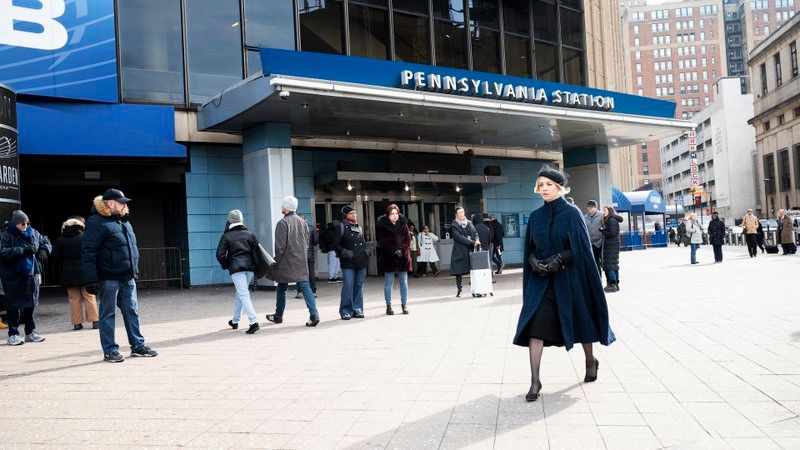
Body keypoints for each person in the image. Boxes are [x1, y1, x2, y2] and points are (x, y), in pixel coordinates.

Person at [515, 167, 614, 402]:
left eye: (549, 185)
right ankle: (535, 381)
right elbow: (529, 248)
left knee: (582, 321)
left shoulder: (572, 213)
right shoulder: (536, 216)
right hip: (541, 283)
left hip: (568, 280)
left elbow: (581, 248)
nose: (544, 189)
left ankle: (590, 361)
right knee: (535, 326)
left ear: (559, 188)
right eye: (541, 185)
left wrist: (559, 259)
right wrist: (535, 262)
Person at [82, 188, 157, 362]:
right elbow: (88, 252)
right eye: (120, 202)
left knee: (132, 311)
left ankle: (138, 346)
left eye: (124, 202)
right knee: (107, 314)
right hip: (108, 277)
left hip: (127, 277)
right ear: (109, 203)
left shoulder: (124, 222)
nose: (124, 205)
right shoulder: (96, 222)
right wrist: (91, 279)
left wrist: (134, 270)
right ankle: (110, 350)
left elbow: (132, 248)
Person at [265, 196, 320, 327]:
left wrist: (274, 261)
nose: (281, 207)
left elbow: (280, 247)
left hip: (285, 261)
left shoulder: (282, 223)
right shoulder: (303, 222)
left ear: (286, 207)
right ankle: (314, 314)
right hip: (301, 260)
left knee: (281, 288)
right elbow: (307, 242)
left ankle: (278, 316)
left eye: (282, 205)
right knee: (305, 286)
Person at [0, 210, 51, 346]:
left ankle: (30, 332)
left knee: (30, 304)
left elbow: (45, 240)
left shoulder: (33, 232)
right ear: (15, 224)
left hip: (31, 274)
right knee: (13, 306)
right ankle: (13, 334)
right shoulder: (7, 235)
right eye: (22, 223)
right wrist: (21, 250)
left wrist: (43, 250)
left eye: (27, 223)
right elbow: (3, 252)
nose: (25, 226)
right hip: (13, 276)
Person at [216, 209, 261, 334]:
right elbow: (258, 251)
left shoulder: (227, 236)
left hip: (236, 269)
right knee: (241, 294)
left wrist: (227, 265)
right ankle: (235, 321)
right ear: (241, 220)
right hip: (250, 269)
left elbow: (219, 254)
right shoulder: (250, 234)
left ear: (230, 221)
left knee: (243, 295)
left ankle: (254, 322)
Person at [52, 215, 98, 330]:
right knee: (89, 296)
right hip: (85, 271)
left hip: (68, 273)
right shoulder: (85, 237)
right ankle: (95, 321)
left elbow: (55, 257)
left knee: (73, 298)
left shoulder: (60, 240)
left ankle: (77, 323)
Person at [333, 205, 370, 319]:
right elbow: (335, 244)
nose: (354, 215)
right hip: (348, 262)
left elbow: (362, 242)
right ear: (345, 215)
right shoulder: (341, 226)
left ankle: (357, 309)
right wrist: (344, 252)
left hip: (361, 261)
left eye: (355, 213)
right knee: (348, 286)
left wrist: (366, 251)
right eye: (351, 213)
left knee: (359, 285)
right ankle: (345, 310)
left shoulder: (359, 227)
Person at [377, 204, 412, 315]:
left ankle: (404, 305)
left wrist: (402, 250)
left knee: (404, 282)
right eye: (392, 214)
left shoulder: (403, 224)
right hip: (389, 257)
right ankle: (389, 306)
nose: (395, 216)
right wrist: (393, 250)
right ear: (388, 215)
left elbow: (408, 240)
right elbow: (383, 241)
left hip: (403, 257)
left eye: (396, 213)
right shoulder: (383, 225)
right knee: (388, 283)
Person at [450, 206, 479, 298]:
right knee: (458, 271)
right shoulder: (454, 225)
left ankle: (475, 289)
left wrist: (477, 240)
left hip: (470, 250)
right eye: (459, 212)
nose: (461, 214)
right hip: (459, 251)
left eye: (462, 212)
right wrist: (472, 242)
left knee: (473, 270)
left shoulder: (469, 223)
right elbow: (457, 237)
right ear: (456, 214)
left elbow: (475, 233)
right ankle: (460, 289)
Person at [600, 206, 622, 292]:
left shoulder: (612, 220)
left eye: (605, 210)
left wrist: (602, 230)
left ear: (610, 211)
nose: (603, 212)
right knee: (613, 265)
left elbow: (612, 233)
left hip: (611, 245)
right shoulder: (611, 219)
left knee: (610, 266)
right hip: (613, 245)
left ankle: (612, 285)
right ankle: (616, 285)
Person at [296, 216, 319, 298]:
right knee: (311, 273)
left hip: (299, 255)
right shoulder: (312, 228)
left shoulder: (296, 229)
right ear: (306, 220)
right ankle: (313, 292)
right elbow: (316, 241)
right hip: (310, 255)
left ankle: (300, 292)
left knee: (300, 273)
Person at [583, 200, 603, 273]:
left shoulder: (602, 215)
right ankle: (599, 279)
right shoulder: (585, 217)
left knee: (605, 263)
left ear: (595, 207)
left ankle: (610, 281)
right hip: (591, 244)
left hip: (601, 243)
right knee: (595, 263)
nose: (589, 209)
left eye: (591, 207)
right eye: (588, 207)